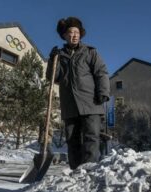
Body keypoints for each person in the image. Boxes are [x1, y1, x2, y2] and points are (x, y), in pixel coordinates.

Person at [46, 17, 110, 169]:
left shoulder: (90, 52)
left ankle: (89, 170)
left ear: (80, 34)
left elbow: (101, 72)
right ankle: (76, 171)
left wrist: (103, 91)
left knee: (91, 137)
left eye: (76, 32)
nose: (73, 35)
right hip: (70, 104)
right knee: (72, 139)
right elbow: (53, 77)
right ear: (64, 36)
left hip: (91, 102)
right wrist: (52, 60)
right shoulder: (60, 56)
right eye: (70, 32)